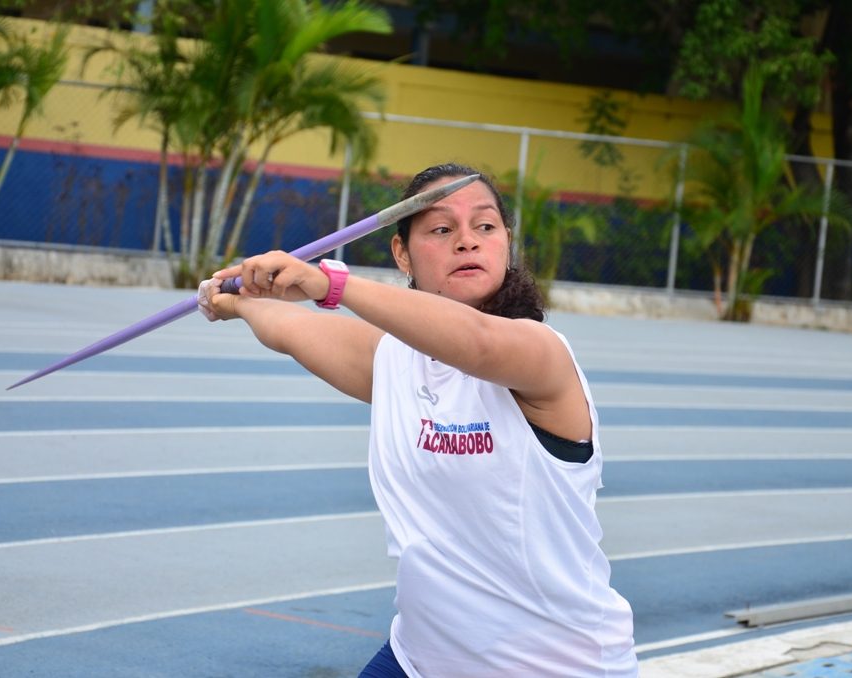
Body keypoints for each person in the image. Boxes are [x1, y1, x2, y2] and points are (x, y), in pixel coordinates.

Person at [197, 163, 637, 677]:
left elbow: (478, 341)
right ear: (402, 253)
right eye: (442, 229)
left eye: (485, 225)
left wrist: (329, 283)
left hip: (551, 667)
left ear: (506, 243)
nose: (467, 241)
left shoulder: (539, 353)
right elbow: (290, 328)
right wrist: (236, 301)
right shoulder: (394, 361)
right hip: (421, 658)